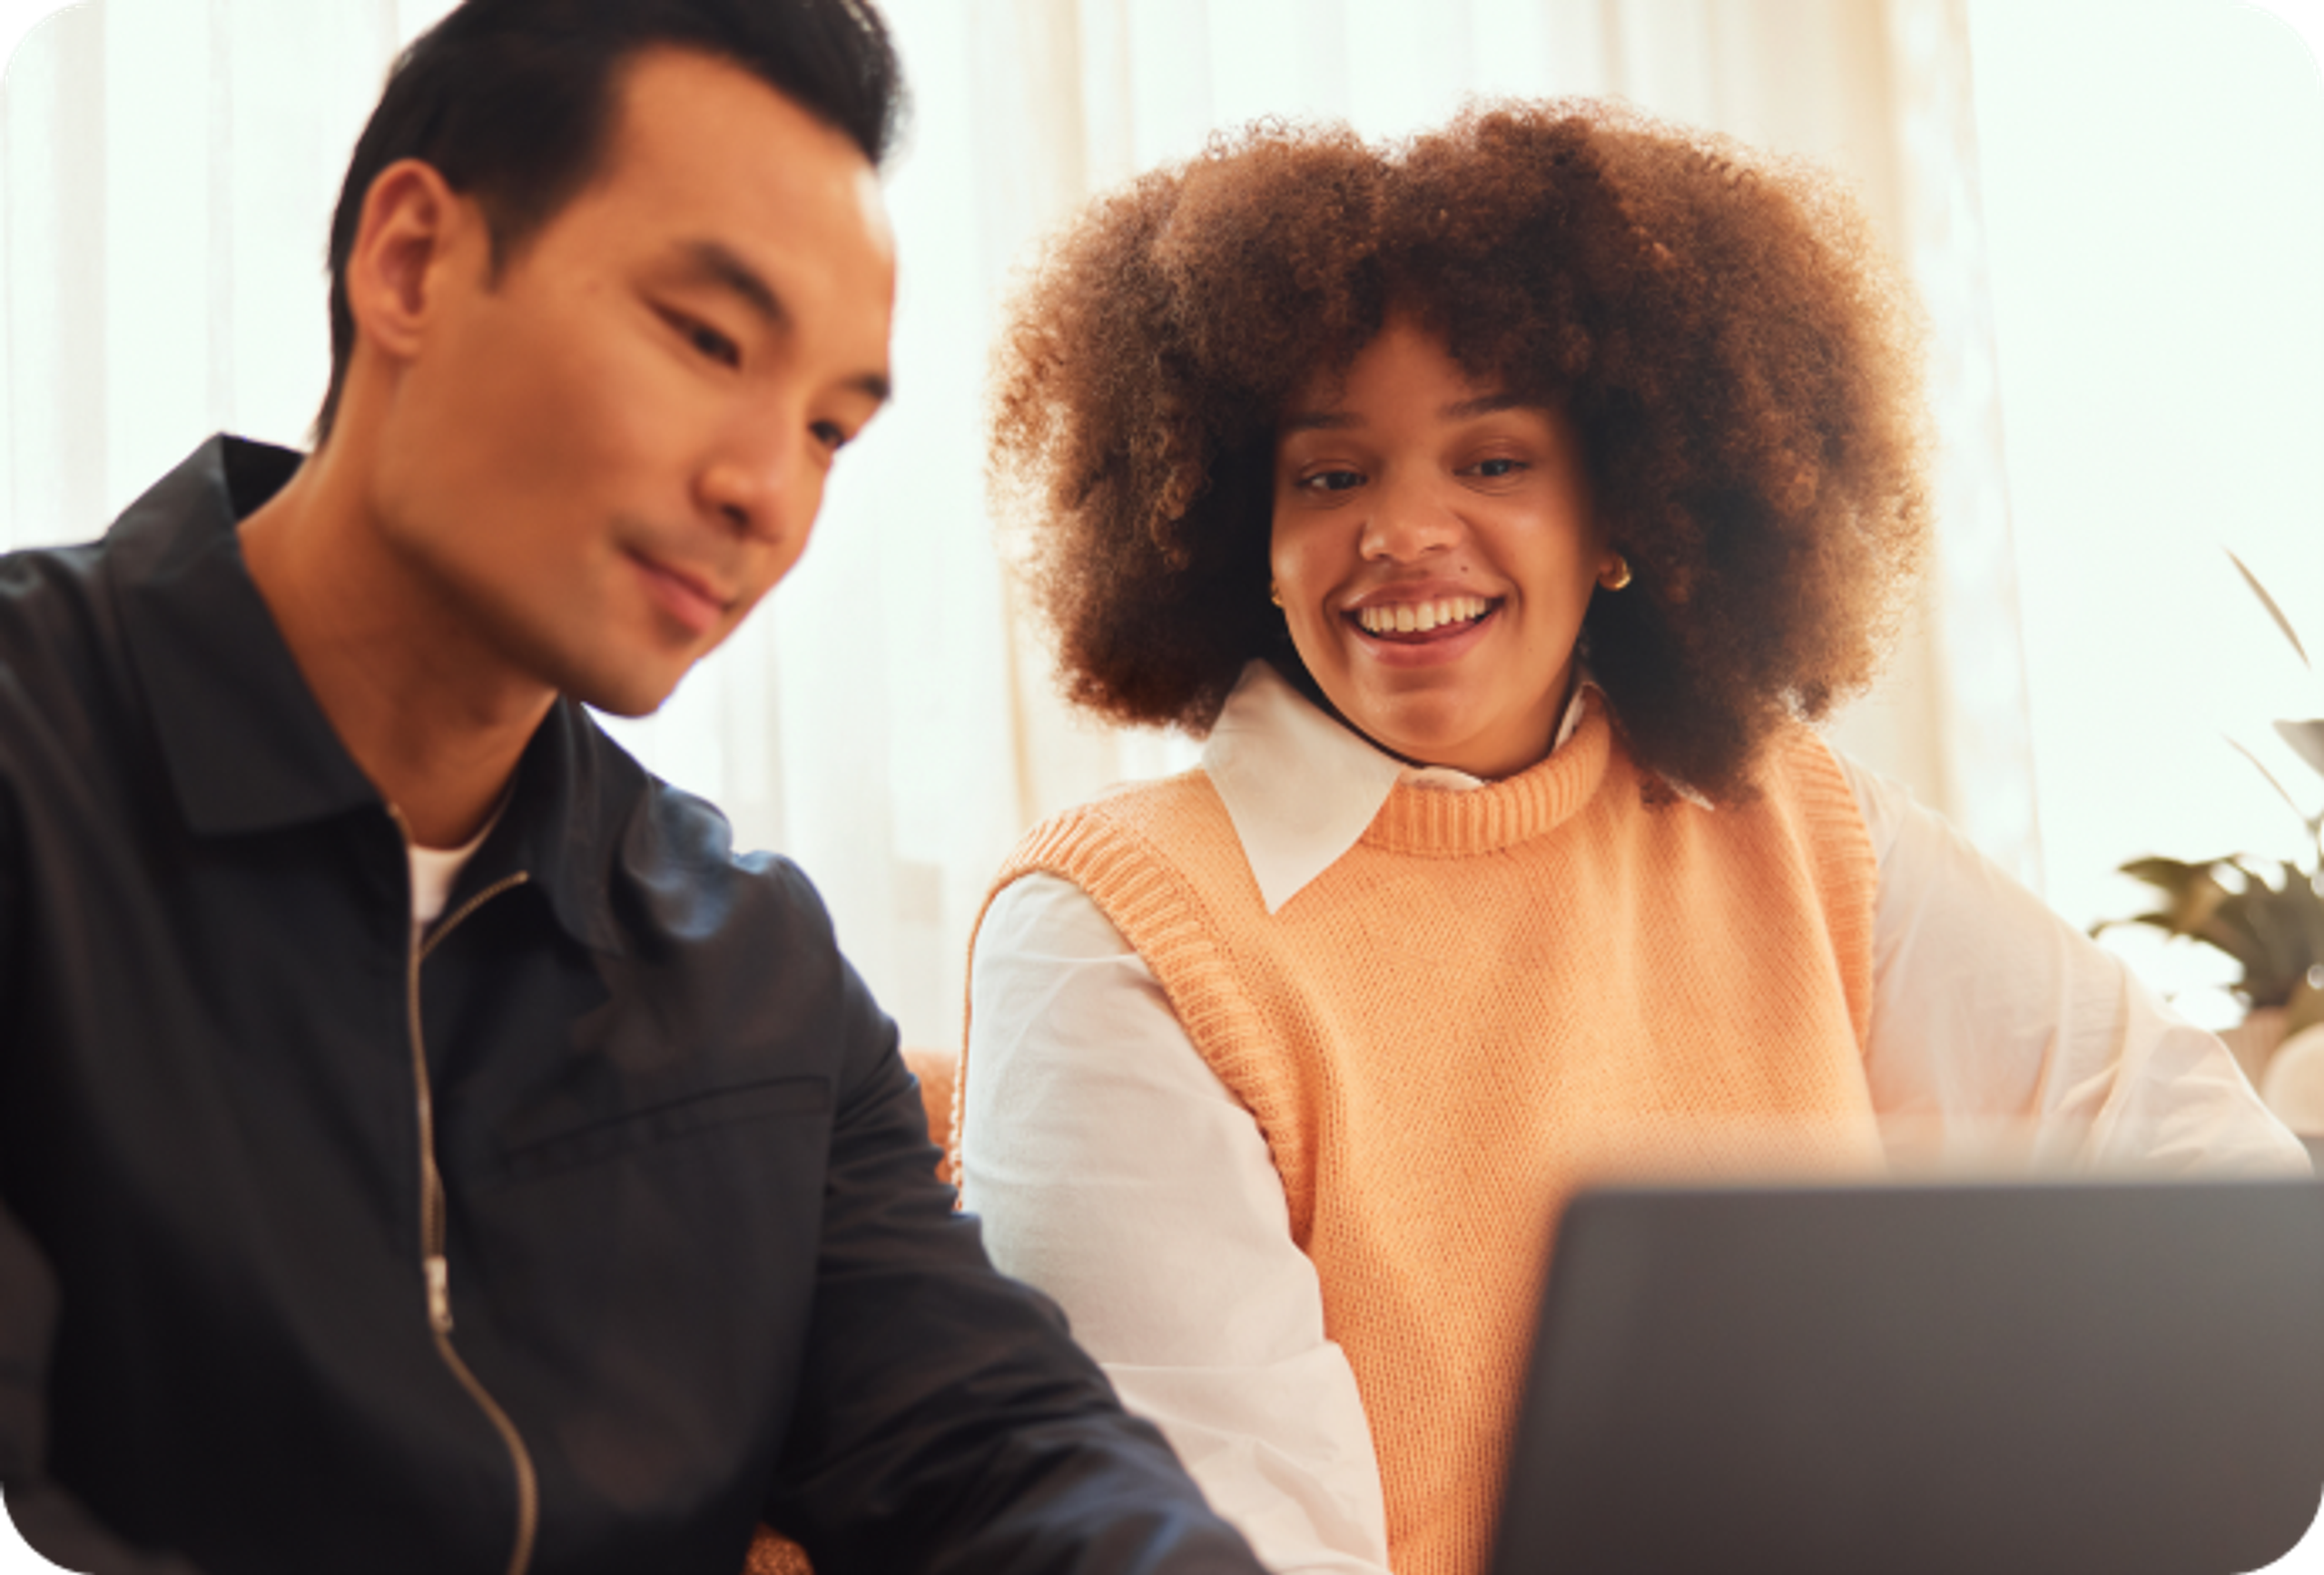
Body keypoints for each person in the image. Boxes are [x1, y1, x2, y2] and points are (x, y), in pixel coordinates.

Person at [0, 3, 1269, 1572]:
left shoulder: (757, 974)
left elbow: (992, 1441)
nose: (764, 492)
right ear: (409, 265)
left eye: (827, 429)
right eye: (708, 341)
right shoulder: (36, 776)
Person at [960, 105, 2313, 1575]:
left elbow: (2192, 1169)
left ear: (1621, 508)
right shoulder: (1116, 932)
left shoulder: (1790, 818)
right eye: (1332, 475)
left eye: (1491, 463)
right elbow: (1221, 1539)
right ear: (1243, 535)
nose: (1406, 532)